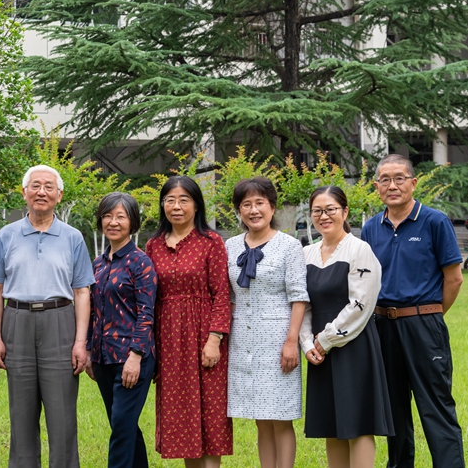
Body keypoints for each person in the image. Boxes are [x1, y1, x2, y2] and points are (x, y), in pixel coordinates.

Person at [0, 164, 95, 468]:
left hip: (60, 322)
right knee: (21, 413)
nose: (41, 192)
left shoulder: (72, 237)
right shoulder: (7, 235)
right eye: (35, 186)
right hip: (17, 321)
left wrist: (80, 342)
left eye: (49, 186)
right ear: (24, 193)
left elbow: (82, 292)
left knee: (62, 415)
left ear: (59, 195)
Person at [361, 154, 465, 467]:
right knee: (392, 409)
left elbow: (454, 278)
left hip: (424, 325)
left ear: (413, 183)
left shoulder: (435, 221)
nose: (392, 186)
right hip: (382, 326)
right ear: (376, 186)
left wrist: (430, 315)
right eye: (385, 180)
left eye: (399, 178)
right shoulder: (370, 228)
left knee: (436, 406)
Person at [300, 186, 393, 468]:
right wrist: (307, 343)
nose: (324, 216)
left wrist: (325, 340)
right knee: (332, 422)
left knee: (358, 422)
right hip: (319, 349)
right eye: (317, 211)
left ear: (345, 212)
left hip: (354, 345)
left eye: (330, 209)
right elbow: (302, 303)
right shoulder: (306, 253)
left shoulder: (359, 249)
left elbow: (361, 303)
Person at [145, 177, 232, 467]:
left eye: (184, 200)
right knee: (181, 417)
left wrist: (215, 339)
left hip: (204, 335)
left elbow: (221, 294)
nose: (176, 206)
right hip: (169, 340)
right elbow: (150, 297)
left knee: (211, 415)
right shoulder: (153, 245)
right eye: (170, 200)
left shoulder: (211, 242)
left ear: (196, 205)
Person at [225, 176, 308, 468]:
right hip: (242, 342)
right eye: (246, 204)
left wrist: (291, 342)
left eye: (259, 203)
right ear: (239, 210)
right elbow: (229, 296)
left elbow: (299, 296)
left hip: (277, 341)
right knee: (261, 418)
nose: (253, 210)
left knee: (281, 417)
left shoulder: (289, 246)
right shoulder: (230, 246)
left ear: (272, 207)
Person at [86, 192, 157, 468]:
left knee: (121, 428)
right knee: (123, 426)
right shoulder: (97, 264)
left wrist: (136, 356)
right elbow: (93, 311)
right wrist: (90, 351)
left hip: (132, 358)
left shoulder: (141, 262)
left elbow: (146, 313)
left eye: (120, 216)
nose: (113, 222)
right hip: (103, 358)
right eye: (107, 216)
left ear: (132, 222)